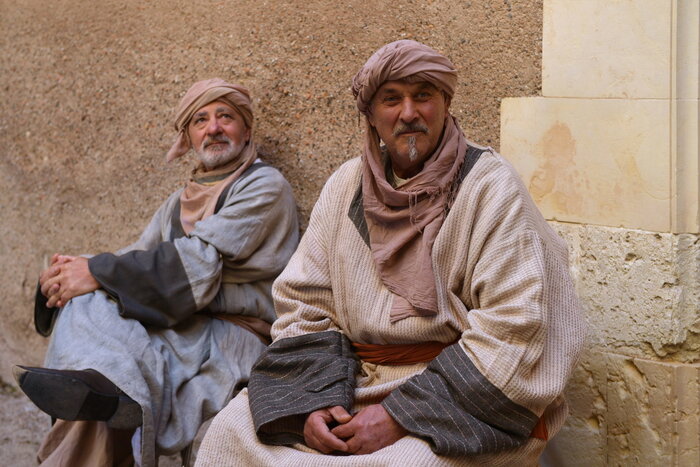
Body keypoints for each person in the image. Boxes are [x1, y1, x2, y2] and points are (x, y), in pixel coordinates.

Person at [195, 41, 587, 467]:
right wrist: (313, 402)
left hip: (452, 401)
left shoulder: (490, 187)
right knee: (229, 432)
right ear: (371, 116)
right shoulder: (346, 185)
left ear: (445, 103)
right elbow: (304, 303)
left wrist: (400, 416)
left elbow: (516, 325)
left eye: (423, 95)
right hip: (351, 386)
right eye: (391, 99)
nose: (408, 113)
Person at [14, 78, 299, 466]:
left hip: (235, 334)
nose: (213, 128)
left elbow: (199, 265)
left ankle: (111, 389)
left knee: (101, 288)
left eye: (225, 117)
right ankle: (105, 388)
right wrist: (68, 273)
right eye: (200, 120)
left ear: (246, 129)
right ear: (189, 136)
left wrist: (95, 270)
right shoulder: (175, 204)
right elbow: (135, 257)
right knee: (90, 298)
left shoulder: (264, 185)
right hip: (181, 328)